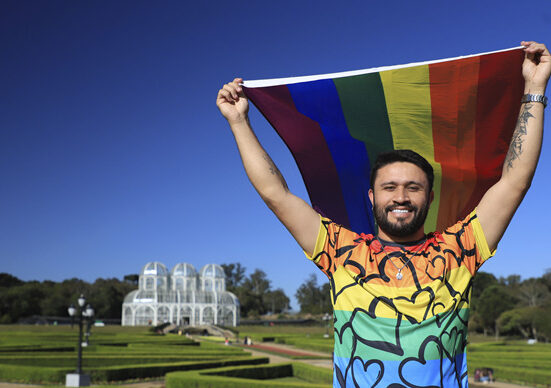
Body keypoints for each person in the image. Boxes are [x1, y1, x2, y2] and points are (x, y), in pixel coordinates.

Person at [216, 41, 549, 387]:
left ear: (430, 197)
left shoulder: (459, 250)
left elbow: (514, 183)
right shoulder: (340, 250)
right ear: (372, 196)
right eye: (389, 188)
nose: (400, 197)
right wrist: (239, 122)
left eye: (413, 187)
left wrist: (535, 88)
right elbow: (276, 195)